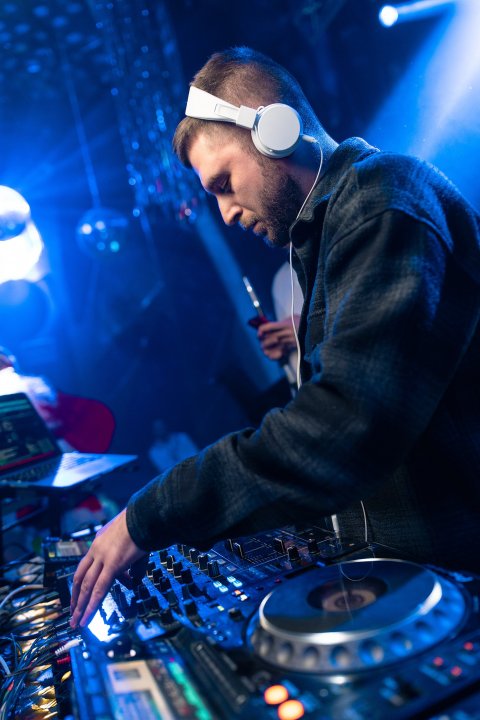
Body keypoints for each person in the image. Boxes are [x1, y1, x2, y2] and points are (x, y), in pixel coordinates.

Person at [70, 47, 480, 629]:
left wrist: (150, 515)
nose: (225, 212)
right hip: (423, 587)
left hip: (461, 586)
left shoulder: (383, 198)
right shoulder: (333, 231)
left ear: (275, 130)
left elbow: (340, 430)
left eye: (223, 183)